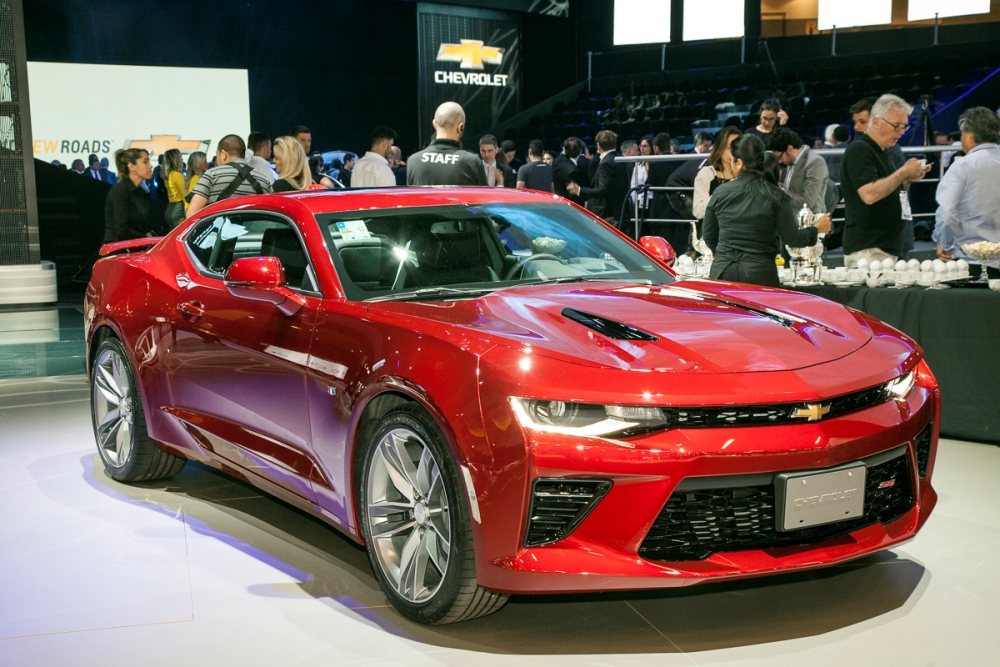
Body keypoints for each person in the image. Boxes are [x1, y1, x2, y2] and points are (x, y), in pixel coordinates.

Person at [703, 134, 831, 288]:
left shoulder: (720, 192)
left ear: (739, 163)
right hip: (760, 273)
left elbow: (709, 235)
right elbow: (793, 238)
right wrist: (816, 229)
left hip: (722, 271)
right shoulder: (776, 195)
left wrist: (725, 255)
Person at [840, 94, 929, 268]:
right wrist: (903, 171)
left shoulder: (882, 151)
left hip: (883, 249)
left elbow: (889, 191)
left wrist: (907, 180)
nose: (901, 132)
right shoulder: (861, 149)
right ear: (877, 122)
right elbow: (869, 194)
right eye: (897, 126)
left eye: (904, 126)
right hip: (869, 250)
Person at [933, 107, 1000, 280]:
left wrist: (944, 242)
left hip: (970, 261)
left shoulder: (962, 166)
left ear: (970, 136)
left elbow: (947, 212)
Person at [186, 134, 273, 218]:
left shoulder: (211, 175)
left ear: (223, 154)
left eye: (217, 154)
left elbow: (191, 214)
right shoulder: (263, 180)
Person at [407, 102, 487, 186]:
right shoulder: (472, 162)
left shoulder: (414, 161)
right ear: (460, 127)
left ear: (434, 124)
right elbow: (484, 194)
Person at [567, 129, 629, 226]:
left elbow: (603, 190)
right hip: (619, 211)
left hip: (607, 214)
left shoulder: (606, 163)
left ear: (598, 145)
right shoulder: (620, 158)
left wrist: (579, 190)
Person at [767, 126, 831, 214]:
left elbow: (807, 202)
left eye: (779, 157)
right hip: (793, 218)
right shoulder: (792, 160)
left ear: (789, 149)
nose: (779, 161)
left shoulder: (815, 162)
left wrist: (780, 191)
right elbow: (792, 190)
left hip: (811, 220)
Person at [693, 126, 742, 221]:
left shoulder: (745, 174)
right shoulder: (707, 174)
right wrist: (721, 195)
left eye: (736, 148)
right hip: (714, 226)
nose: (733, 153)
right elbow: (698, 211)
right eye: (729, 148)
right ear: (720, 148)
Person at [104, 148, 153, 242]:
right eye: (145, 162)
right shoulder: (119, 190)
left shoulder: (141, 193)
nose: (150, 166)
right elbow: (122, 230)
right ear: (131, 166)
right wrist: (145, 237)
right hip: (118, 247)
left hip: (137, 246)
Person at [552, 136, 584, 205]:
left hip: (558, 203)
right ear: (580, 152)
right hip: (569, 207)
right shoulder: (573, 171)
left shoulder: (557, 163)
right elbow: (573, 196)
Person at [162, 148, 186, 227]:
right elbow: (185, 195)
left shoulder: (167, 175)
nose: (182, 159)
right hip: (179, 209)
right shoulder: (178, 175)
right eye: (180, 157)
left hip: (170, 208)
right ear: (176, 160)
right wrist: (188, 212)